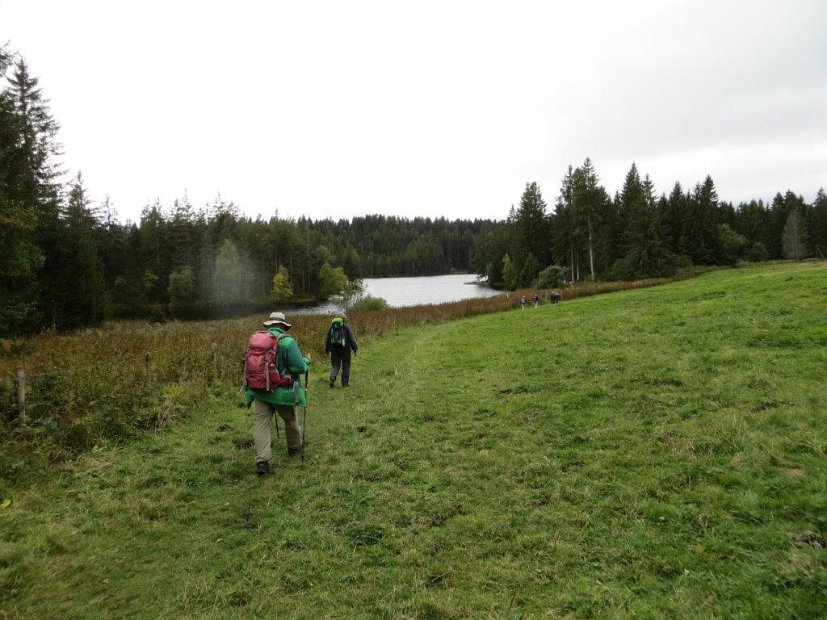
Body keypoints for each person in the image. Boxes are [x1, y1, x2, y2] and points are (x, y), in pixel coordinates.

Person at [243, 311, 310, 476]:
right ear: (283, 326)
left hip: (260, 391)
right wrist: (307, 362)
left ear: (270, 325)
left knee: (261, 424)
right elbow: (298, 367)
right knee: (291, 419)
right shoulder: (288, 342)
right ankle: (294, 448)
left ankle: (262, 462)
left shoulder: (256, 341)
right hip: (281, 393)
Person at [325, 314, 358, 387]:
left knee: (335, 364)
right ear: (344, 319)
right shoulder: (346, 326)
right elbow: (351, 339)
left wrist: (327, 349)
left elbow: (328, 339)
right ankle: (345, 383)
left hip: (334, 348)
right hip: (345, 349)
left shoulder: (332, 327)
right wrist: (355, 348)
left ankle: (333, 376)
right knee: (346, 365)